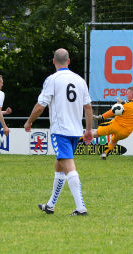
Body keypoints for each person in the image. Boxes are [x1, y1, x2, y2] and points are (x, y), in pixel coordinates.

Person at [24, 48, 93, 216]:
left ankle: (81, 207)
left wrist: (29, 121)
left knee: (68, 166)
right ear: (68, 61)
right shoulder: (80, 80)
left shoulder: (52, 80)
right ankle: (50, 205)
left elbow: (41, 106)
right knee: (59, 164)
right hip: (75, 131)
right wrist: (89, 130)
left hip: (60, 130)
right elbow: (88, 107)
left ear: (53, 61)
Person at [93, 86, 133, 159]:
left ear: (132, 95)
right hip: (126, 133)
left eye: (127, 94)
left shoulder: (126, 105)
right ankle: (105, 153)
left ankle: (80, 139)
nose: (126, 95)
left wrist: (101, 117)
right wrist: (123, 103)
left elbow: (112, 112)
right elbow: (132, 107)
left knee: (97, 133)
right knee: (114, 140)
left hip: (116, 126)